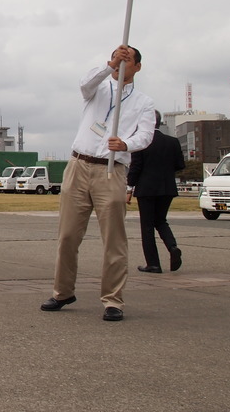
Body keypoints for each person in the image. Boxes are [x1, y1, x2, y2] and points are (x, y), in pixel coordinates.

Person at [40, 45, 156, 322]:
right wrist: (111, 63)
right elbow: (85, 84)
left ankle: (113, 299)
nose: (122, 64)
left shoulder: (144, 103)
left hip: (111, 169)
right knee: (68, 235)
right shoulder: (99, 88)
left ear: (138, 67)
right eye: (119, 58)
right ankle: (63, 292)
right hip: (78, 165)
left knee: (113, 239)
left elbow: (147, 135)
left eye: (128, 61)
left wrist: (126, 143)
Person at [127, 111, 185, 273]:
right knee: (160, 221)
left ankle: (153, 263)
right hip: (167, 187)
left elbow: (135, 167)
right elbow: (180, 164)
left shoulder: (141, 143)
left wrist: (129, 187)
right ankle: (172, 247)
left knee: (147, 227)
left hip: (146, 189)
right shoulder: (172, 142)